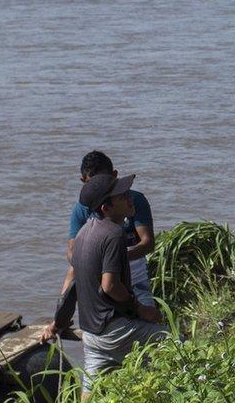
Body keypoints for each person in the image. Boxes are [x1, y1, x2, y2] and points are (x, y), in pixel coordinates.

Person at [48, 171, 165, 382]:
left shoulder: (83, 234)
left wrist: (58, 323)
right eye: (122, 197)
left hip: (91, 334)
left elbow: (73, 285)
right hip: (116, 331)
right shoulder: (114, 234)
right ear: (106, 208)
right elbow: (110, 286)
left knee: (90, 392)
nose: (130, 198)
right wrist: (141, 309)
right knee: (173, 344)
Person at [66, 149, 154, 297]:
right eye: (92, 184)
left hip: (133, 276)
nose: (100, 190)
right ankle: (59, 315)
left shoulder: (132, 201)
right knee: (72, 272)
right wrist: (92, 262)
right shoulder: (81, 209)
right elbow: (72, 250)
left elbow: (148, 243)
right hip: (97, 276)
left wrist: (114, 259)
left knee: (147, 311)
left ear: (114, 176)